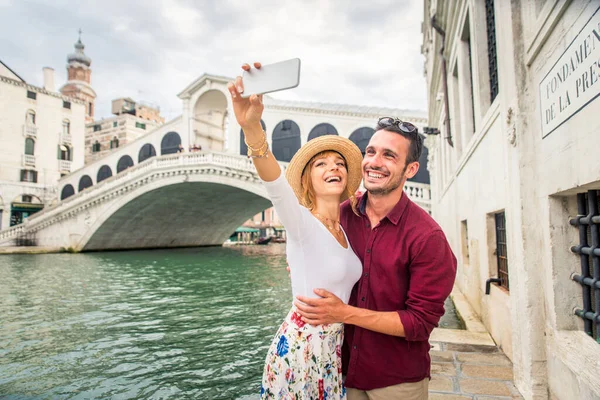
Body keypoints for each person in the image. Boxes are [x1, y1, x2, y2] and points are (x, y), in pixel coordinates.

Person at [227, 62, 365, 400]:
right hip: (302, 351)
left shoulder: (347, 231)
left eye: (339, 163)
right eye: (321, 163)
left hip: (333, 352)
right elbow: (272, 178)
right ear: (307, 179)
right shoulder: (301, 221)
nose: (333, 166)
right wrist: (252, 128)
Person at [294, 117, 457, 399]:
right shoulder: (341, 215)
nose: (374, 162)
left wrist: (345, 314)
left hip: (397, 382)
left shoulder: (428, 237)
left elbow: (419, 323)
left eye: (389, 155)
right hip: (339, 372)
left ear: (411, 169)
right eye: (371, 152)